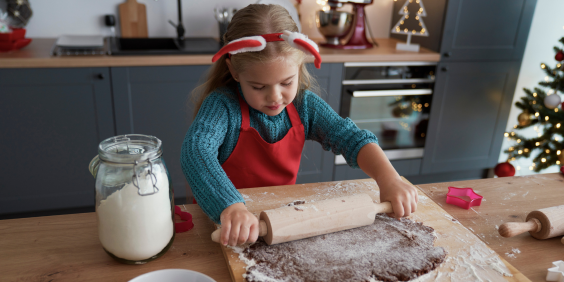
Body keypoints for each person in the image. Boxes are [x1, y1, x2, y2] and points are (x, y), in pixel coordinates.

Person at [180, 4, 418, 247]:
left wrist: (389, 178)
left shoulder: (306, 106)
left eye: (286, 82)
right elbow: (195, 151)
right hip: (225, 221)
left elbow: (350, 138)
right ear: (234, 70)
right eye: (258, 87)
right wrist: (230, 207)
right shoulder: (223, 106)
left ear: (299, 65)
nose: (275, 97)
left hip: (281, 221)